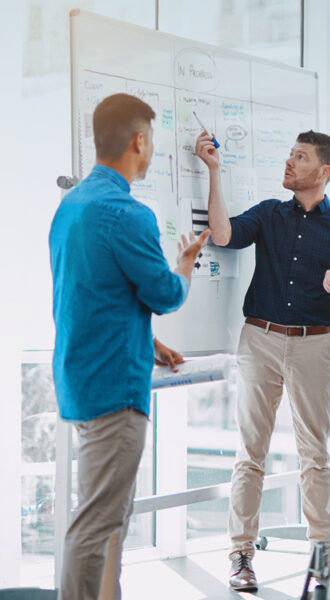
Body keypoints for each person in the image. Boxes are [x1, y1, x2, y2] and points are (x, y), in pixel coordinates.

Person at [194, 129, 330, 591]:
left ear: (324, 171)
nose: (289, 163)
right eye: (290, 155)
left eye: (300, 157)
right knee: (250, 453)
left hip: (315, 343)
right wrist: (213, 170)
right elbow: (224, 234)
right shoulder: (271, 214)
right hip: (260, 339)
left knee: (314, 454)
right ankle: (240, 554)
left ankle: (323, 554)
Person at [50, 93, 209, 600]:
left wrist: (148, 338)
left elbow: (91, 293)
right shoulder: (127, 214)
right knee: (96, 525)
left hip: (81, 377)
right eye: (153, 139)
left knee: (108, 519)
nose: (154, 148)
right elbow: (163, 293)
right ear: (139, 141)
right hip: (115, 388)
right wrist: (184, 265)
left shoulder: (71, 205)